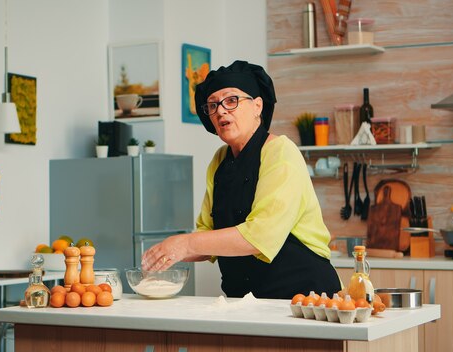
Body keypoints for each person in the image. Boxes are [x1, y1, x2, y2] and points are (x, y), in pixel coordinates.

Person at [141, 60, 341, 299]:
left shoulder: (281, 152)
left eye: (231, 100)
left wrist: (185, 243)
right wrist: (166, 252)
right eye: (213, 105)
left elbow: (261, 236)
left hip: (303, 298)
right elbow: (207, 232)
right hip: (244, 301)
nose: (221, 111)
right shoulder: (219, 161)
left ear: (257, 106)